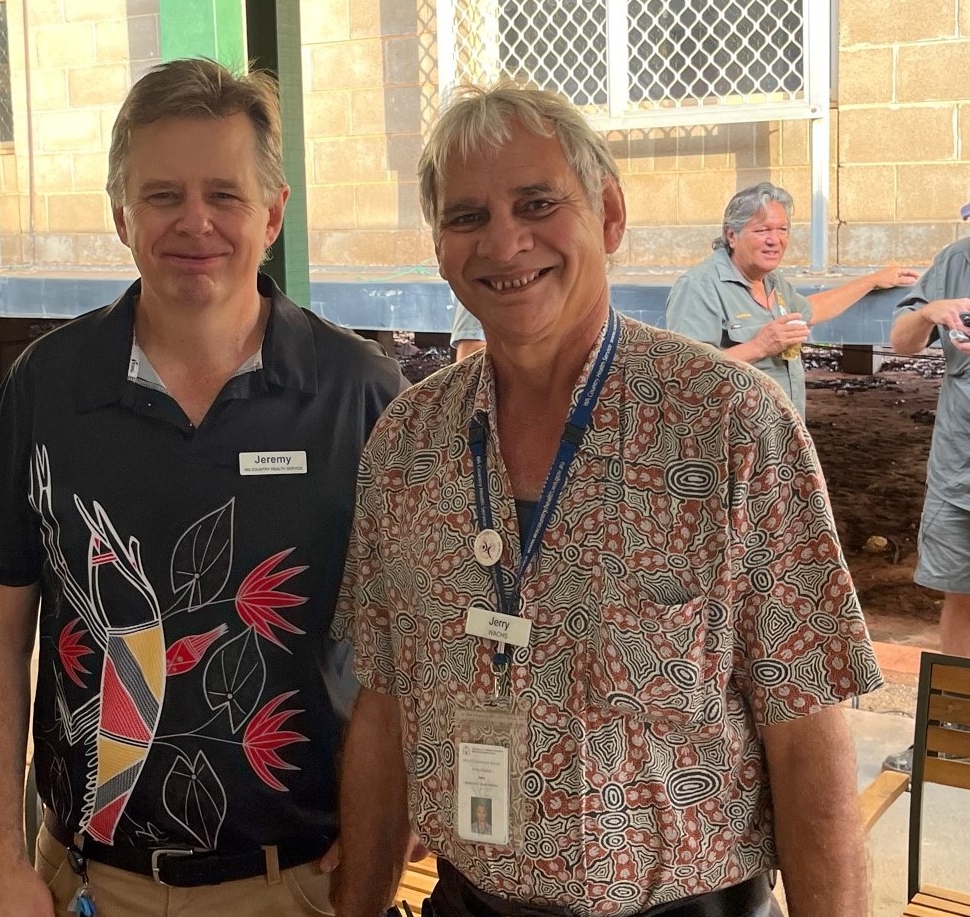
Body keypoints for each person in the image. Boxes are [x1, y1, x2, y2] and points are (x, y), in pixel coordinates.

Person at [331, 84, 884, 917]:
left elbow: (806, 734)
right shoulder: (408, 443)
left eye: (538, 202)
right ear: (441, 245)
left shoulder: (729, 423)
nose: (504, 241)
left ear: (610, 216)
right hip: (468, 901)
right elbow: (382, 705)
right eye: (467, 215)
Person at [0, 57, 405, 917]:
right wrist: (0, 863)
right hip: (88, 882)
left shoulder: (363, 395)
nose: (193, 222)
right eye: (162, 196)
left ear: (272, 213)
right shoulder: (45, 387)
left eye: (223, 195)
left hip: (303, 885)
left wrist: (390, 836)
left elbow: (419, 640)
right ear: (121, 215)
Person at [665, 183, 918, 416]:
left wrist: (872, 280)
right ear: (732, 235)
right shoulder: (700, 287)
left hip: (781, 437)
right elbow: (687, 375)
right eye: (762, 230)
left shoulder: (772, 282)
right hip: (731, 445)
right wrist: (760, 347)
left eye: (782, 229)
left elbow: (813, 310)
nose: (774, 240)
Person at [881, 208, 970, 774]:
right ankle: (946, 732)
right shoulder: (956, 260)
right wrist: (932, 311)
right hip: (960, 469)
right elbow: (902, 340)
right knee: (960, 596)